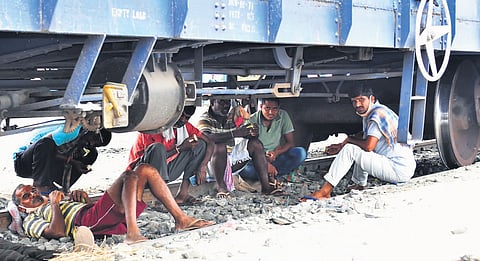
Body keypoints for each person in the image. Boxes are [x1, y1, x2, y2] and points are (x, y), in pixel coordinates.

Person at [10, 163, 214, 244]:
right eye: (26, 196)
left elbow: (92, 212)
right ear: (21, 207)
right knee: (128, 175)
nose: (33, 194)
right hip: (87, 221)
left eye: (32, 190)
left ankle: (181, 219)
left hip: (92, 214)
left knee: (144, 170)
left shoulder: (53, 200)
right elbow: (57, 233)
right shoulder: (31, 218)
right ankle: (132, 233)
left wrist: (82, 200)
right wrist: (54, 205)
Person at [301, 84, 416, 200]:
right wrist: (342, 144)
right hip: (403, 167)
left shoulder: (376, 116)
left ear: (372, 99)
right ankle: (359, 185)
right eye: (354, 101)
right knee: (355, 148)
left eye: (361, 100)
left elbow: (369, 146)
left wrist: (348, 141)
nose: (357, 105)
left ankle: (325, 191)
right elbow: (365, 137)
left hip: (397, 169)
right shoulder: (378, 111)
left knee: (351, 149)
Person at [127, 106, 213, 205]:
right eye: (181, 116)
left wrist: (203, 165)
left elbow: (210, 143)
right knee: (158, 148)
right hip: (141, 174)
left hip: (165, 173)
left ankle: (183, 194)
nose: (182, 120)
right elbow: (155, 158)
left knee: (200, 145)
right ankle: (161, 198)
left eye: (186, 118)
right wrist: (180, 148)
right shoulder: (154, 127)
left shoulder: (185, 127)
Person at [197, 98, 283, 196]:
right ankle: (221, 187)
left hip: (229, 160)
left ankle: (266, 187)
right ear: (212, 102)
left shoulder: (230, 117)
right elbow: (207, 138)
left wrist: (251, 132)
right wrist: (235, 133)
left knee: (255, 144)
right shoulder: (204, 119)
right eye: (221, 101)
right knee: (220, 146)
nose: (226, 105)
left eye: (227, 102)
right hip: (209, 164)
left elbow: (243, 133)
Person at [13, 124, 112, 194]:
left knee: (92, 154)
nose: (91, 144)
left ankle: (55, 185)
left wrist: (78, 164)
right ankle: (40, 185)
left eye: (95, 144)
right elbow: (44, 145)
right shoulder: (72, 131)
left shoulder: (82, 142)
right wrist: (73, 161)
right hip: (24, 163)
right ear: (94, 130)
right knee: (47, 143)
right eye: (94, 139)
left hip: (44, 166)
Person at [239, 98, 307, 183]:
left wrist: (276, 153)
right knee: (244, 169)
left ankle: (269, 174)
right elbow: (245, 150)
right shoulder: (251, 120)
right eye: (267, 108)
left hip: (275, 158)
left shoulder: (283, 115)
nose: (271, 112)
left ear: (278, 108)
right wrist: (265, 164)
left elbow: (290, 143)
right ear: (261, 107)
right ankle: (273, 175)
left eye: (275, 109)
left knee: (301, 153)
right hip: (256, 160)